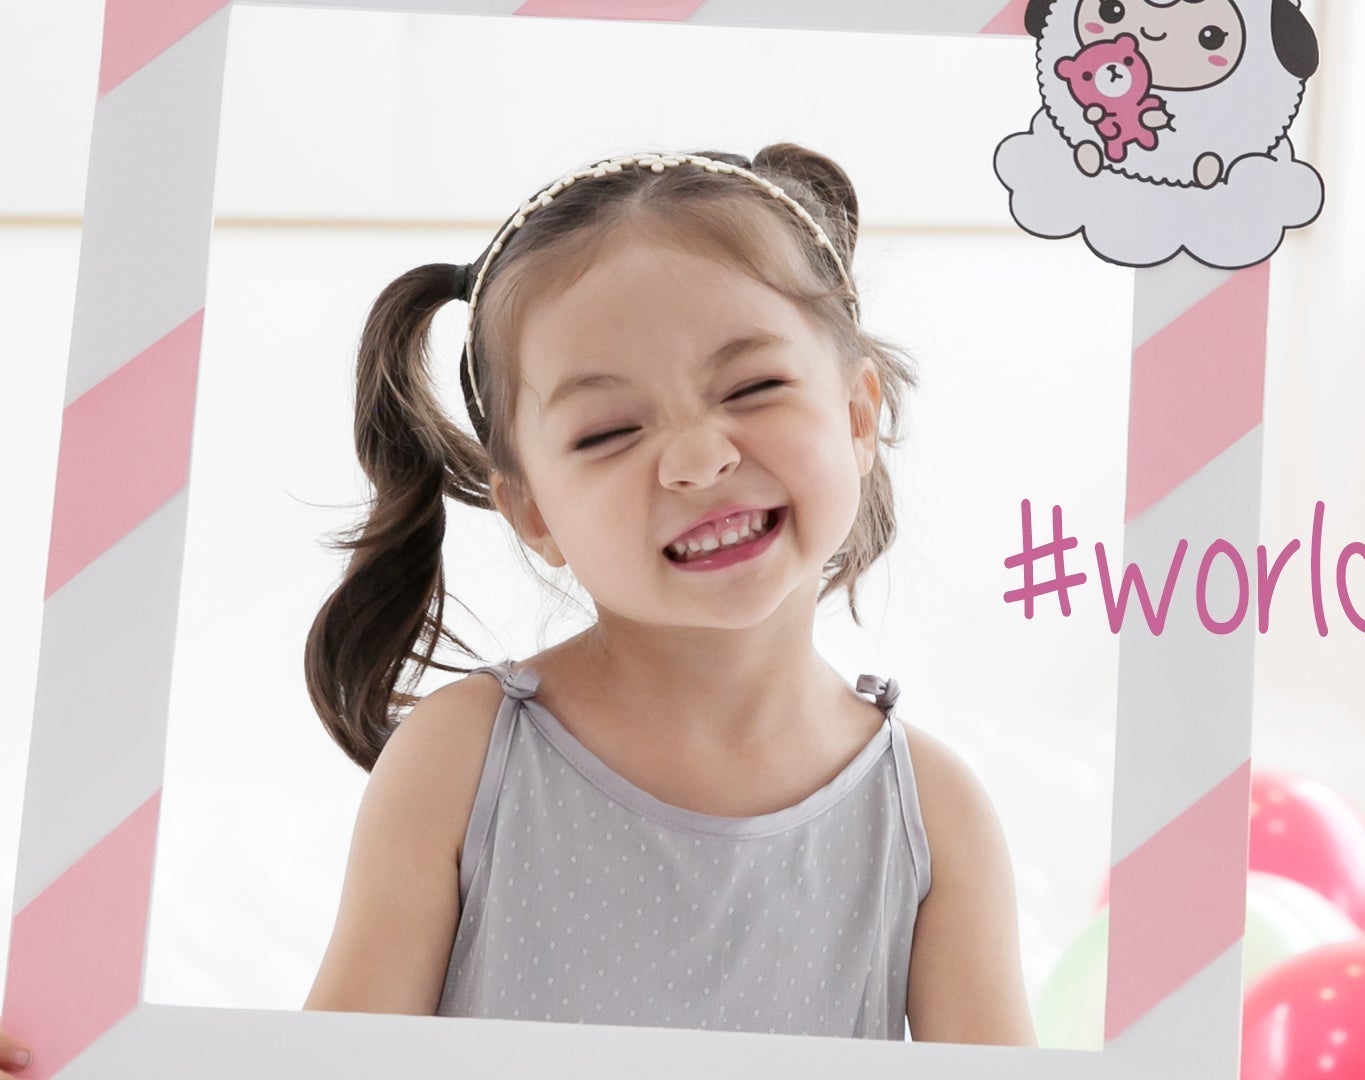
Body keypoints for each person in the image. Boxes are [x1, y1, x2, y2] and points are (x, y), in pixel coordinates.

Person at [0, 144, 1027, 1070]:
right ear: (530, 509)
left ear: (856, 415)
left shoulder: (932, 816)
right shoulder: (466, 760)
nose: (700, 458)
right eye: (607, 431)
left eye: (753, 386)